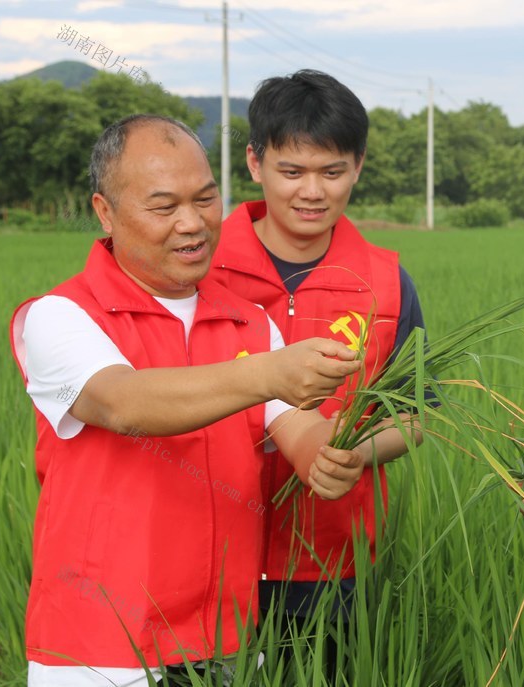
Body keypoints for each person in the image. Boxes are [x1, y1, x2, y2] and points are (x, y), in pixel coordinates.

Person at [10, 114, 370, 686]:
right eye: (163, 207)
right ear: (105, 212)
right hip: (100, 648)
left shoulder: (249, 323)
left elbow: (296, 427)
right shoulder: (61, 315)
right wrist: (266, 373)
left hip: (223, 638)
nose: (192, 223)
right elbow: (123, 403)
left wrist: (328, 456)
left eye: (205, 199)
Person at [209, 69, 425, 668]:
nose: (312, 191)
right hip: (209, 547)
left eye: (331, 172)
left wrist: (357, 454)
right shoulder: (201, 270)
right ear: (255, 162)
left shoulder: (386, 282)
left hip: (333, 559)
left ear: (358, 167)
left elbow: (414, 414)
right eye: (292, 171)